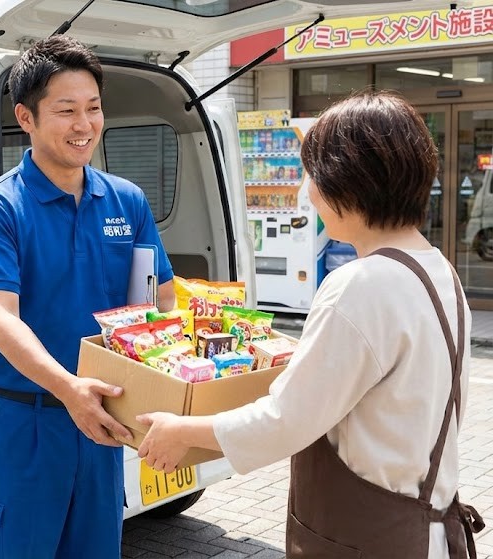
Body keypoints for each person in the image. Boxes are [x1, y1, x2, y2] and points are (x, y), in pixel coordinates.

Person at [135, 90, 485, 558]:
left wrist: (183, 430)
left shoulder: (360, 285)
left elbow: (286, 420)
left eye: (314, 176)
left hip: (367, 537)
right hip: (426, 526)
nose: (308, 193)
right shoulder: (437, 269)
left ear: (350, 181)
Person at [0, 35, 175, 558]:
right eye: (66, 111)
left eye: (94, 108)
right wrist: (68, 388)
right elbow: (0, 320)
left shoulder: (127, 200)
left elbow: (160, 302)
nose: (85, 125)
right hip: (22, 425)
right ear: (26, 118)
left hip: (101, 423)